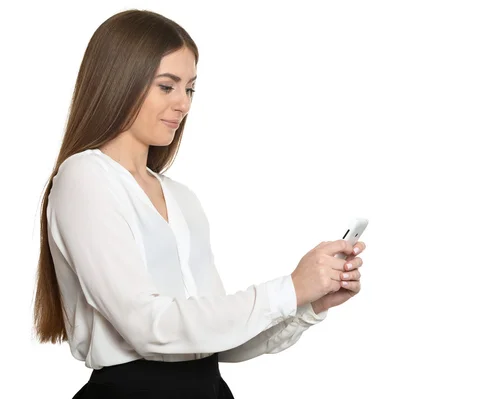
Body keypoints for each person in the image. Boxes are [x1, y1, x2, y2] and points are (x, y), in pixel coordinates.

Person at [32, 9, 366, 399]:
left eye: (189, 89)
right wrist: (289, 289)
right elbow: (146, 326)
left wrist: (308, 303)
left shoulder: (182, 198)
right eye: (166, 86)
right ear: (120, 81)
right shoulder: (85, 178)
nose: (184, 104)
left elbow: (220, 342)